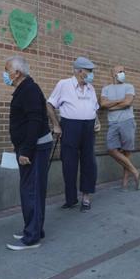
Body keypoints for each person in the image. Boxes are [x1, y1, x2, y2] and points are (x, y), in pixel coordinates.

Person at [5, 55, 54, 251]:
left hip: (34, 149)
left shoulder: (30, 90)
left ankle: (31, 237)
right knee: (32, 189)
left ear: (17, 73)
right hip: (31, 147)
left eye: (7, 70)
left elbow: (35, 121)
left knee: (31, 191)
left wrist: (25, 150)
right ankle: (34, 229)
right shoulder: (25, 89)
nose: (5, 74)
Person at [47, 56, 99, 211]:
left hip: (88, 127)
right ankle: (70, 198)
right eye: (89, 71)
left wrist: (97, 121)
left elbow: (94, 108)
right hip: (70, 126)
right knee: (69, 163)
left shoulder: (91, 88)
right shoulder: (64, 84)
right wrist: (56, 125)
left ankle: (86, 198)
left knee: (88, 161)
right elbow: (49, 105)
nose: (91, 74)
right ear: (80, 71)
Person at [100, 64, 140, 190]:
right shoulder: (106, 89)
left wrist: (112, 105)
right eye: (120, 71)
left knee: (127, 152)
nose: (122, 73)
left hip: (127, 121)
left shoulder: (129, 86)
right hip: (112, 123)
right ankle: (136, 172)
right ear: (113, 74)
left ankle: (124, 182)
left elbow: (128, 103)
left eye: (123, 71)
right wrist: (120, 101)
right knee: (111, 149)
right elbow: (103, 104)